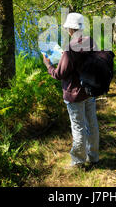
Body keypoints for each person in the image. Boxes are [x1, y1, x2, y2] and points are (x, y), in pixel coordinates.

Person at [42, 12, 99, 170]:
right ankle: (93, 157)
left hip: (74, 94)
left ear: (70, 29)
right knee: (92, 124)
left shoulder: (70, 48)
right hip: (89, 90)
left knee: (78, 127)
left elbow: (60, 74)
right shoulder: (91, 42)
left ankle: (78, 162)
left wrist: (48, 65)